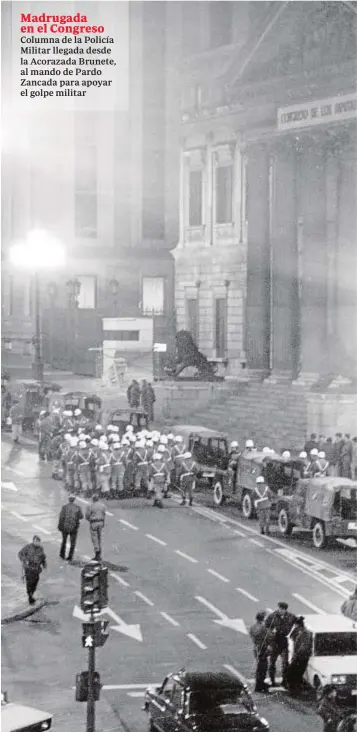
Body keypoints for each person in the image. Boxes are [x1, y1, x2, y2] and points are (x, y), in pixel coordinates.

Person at [265, 601, 297, 687]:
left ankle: (284, 681)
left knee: (285, 664)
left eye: (283, 609)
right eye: (280, 608)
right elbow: (266, 627)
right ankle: (272, 680)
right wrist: (271, 632)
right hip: (274, 642)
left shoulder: (290, 616)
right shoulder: (272, 616)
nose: (281, 610)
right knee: (272, 664)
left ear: (285, 610)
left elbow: (297, 623)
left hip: (284, 642)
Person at [286, 616, 312, 693]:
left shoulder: (305, 633)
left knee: (296, 672)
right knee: (295, 672)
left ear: (298, 625)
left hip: (301, 656)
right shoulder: (300, 631)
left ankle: (295, 688)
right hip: (300, 656)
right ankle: (294, 687)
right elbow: (291, 636)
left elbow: (303, 647)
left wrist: (296, 655)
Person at [18, 535, 47, 605]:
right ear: (33, 541)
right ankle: (30, 597)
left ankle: (31, 594)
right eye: (36, 541)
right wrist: (25, 560)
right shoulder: (28, 547)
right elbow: (20, 554)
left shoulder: (41, 549)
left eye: (39, 542)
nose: (38, 543)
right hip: (28, 568)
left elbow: (43, 557)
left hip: (36, 569)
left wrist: (44, 565)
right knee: (29, 582)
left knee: (35, 582)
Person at [249, 611, 273, 692]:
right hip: (263, 649)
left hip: (256, 648)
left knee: (260, 667)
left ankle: (259, 685)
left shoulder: (253, 627)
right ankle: (260, 686)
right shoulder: (263, 628)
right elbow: (270, 637)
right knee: (263, 668)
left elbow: (252, 635)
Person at [58, 495, 83, 562]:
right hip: (74, 527)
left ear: (69, 499)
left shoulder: (64, 507)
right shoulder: (78, 508)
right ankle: (70, 556)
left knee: (64, 541)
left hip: (65, 527)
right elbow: (81, 516)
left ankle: (62, 554)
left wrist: (60, 525)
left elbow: (61, 517)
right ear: (74, 499)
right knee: (73, 543)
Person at [85, 494, 106, 561]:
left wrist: (90, 520)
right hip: (101, 522)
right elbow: (104, 514)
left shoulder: (90, 506)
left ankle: (97, 554)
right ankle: (100, 552)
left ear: (93, 499)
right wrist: (103, 523)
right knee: (99, 538)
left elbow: (87, 516)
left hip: (93, 522)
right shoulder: (103, 505)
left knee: (94, 538)